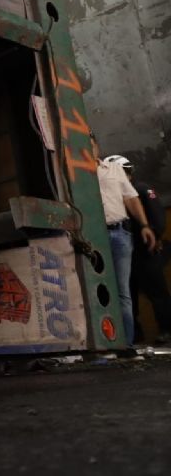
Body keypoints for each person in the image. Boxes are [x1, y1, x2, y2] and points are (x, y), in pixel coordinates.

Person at [92, 134, 156, 346]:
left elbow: (130, 198)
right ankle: (103, 343)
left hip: (119, 234)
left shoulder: (114, 169)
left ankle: (126, 344)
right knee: (97, 291)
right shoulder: (75, 174)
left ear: (96, 145)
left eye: (90, 142)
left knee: (123, 292)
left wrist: (145, 226)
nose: (88, 147)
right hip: (92, 237)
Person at [104, 154, 171, 344]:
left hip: (146, 252)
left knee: (157, 293)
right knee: (129, 295)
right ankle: (136, 335)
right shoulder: (116, 196)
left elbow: (157, 217)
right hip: (127, 253)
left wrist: (154, 236)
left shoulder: (141, 189)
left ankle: (167, 330)